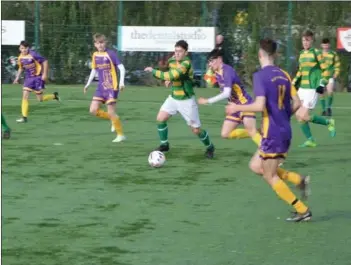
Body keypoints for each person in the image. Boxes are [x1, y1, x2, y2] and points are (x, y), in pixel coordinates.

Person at [225, 38, 311, 222]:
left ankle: (302, 210)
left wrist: (236, 108)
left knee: (269, 176)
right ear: (275, 54)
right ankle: (298, 180)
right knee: (256, 166)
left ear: (260, 54)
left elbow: (259, 105)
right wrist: (283, 116)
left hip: (272, 133)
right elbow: (297, 103)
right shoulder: (284, 74)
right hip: (284, 130)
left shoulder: (260, 76)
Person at [144, 40, 215, 158]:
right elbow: (172, 74)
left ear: (186, 53)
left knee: (196, 130)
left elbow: (173, 75)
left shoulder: (186, 64)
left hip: (186, 100)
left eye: (180, 51)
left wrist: (154, 71)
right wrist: (170, 80)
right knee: (160, 118)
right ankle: (164, 145)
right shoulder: (172, 60)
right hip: (173, 97)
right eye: (176, 51)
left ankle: (210, 147)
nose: (177, 53)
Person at [198, 48, 261, 145]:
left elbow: (226, 93)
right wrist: (209, 77)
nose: (210, 64)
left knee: (252, 132)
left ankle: (270, 154)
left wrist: (208, 101)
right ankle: (258, 132)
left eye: (211, 61)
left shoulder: (228, 71)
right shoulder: (216, 73)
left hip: (245, 104)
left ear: (219, 59)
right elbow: (210, 80)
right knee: (225, 134)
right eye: (208, 62)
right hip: (233, 107)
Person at [292, 30, 336, 147]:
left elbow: (326, 70)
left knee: (304, 116)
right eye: (303, 40)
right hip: (302, 88)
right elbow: (300, 71)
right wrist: (293, 83)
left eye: (307, 40)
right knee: (298, 115)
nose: (305, 42)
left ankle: (328, 122)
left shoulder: (316, 53)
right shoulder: (301, 54)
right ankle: (310, 139)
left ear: (312, 40)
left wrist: (322, 84)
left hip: (312, 88)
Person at [84, 33, 126, 143]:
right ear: (95, 44)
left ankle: (121, 135)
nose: (100, 45)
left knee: (111, 111)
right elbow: (94, 69)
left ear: (105, 43)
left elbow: (121, 68)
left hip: (112, 87)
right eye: (98, 43)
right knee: (93, 110)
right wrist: (88, 83)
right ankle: (113, 119)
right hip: (101, 87)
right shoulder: (95, 55)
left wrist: (121, 82)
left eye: (102, 42)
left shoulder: (111, 54)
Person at [13, 40, 60, 123]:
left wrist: (45, 74)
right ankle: (24, 117)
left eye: (25, 48)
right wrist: (17, 78)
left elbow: (45, 61)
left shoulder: (33, 54)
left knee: (40, 99)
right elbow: (21, 68)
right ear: (19, 48)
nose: (23, 50)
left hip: (37, 78)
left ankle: (54, 96)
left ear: (28, 48)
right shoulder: (20, 57)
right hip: (28, 79)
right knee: (25, 96)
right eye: (21, 48)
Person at [319, 37, 341, 116]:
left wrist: (336, 73)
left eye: (327, 45)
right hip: (321, 77)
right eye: (324, 45)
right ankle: (324, 110)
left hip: (330, 76)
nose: (326, 46)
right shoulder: (319, 54)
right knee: (321, 92)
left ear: (329, 45)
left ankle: (328, 108)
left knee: (330, 91)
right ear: (321, 45)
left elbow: (337, 64)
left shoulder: (333, 54)